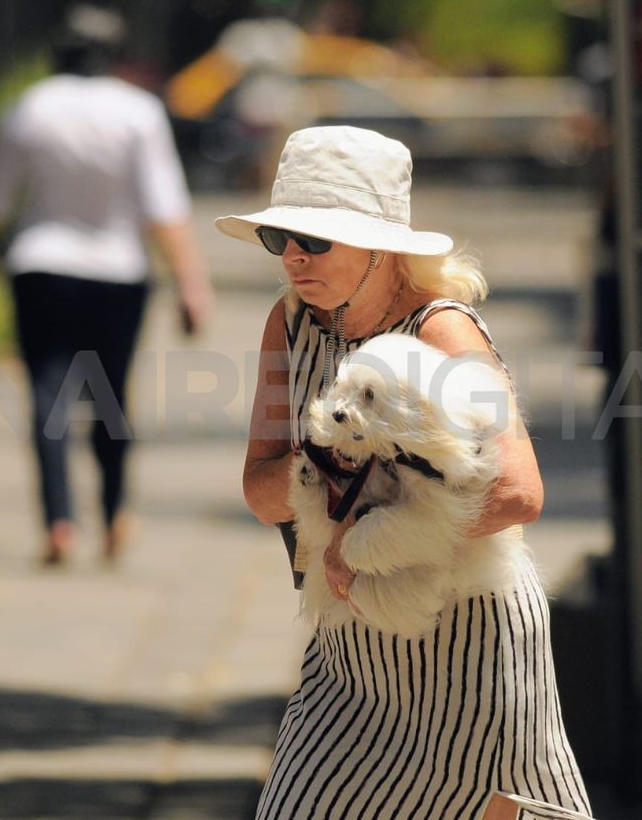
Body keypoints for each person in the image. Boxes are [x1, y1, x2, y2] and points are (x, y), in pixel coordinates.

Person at [217, 125, 592, 819]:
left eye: (316, 240)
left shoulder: (444, 332)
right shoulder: (290, 323)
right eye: (281, 239)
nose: (294, 257)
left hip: (469, 650)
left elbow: (518, 492)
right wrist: (331, 468)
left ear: (381, 246)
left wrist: (366, 543)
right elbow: (259, 488)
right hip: (350, 655)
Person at [0, 9, 214, 565]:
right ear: (114, 54)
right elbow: (165, 207)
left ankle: (59, 524)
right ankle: (116, 512)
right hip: (118, 274)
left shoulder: (29, 107)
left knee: (48, 396)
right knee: (111, 397)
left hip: (40, 266)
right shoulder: (138, 111)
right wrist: (192, 285)